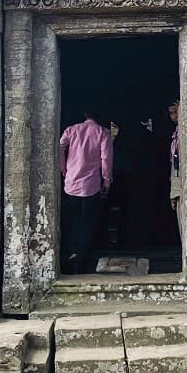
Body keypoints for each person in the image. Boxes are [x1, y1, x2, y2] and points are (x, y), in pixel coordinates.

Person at [59, 109, 113, 274]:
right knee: (87, 226)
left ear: (85, 115)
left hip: (71, 184)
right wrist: (107, 180)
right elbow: (106, 158)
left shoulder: (71, 130)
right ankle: (82, 264)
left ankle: (70, 257)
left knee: (72, 223)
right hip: (91, 186)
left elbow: (59, 148)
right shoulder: (102, 133)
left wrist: (64, 170)